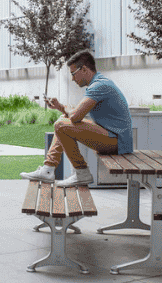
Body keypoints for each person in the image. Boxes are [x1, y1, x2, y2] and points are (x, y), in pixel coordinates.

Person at [21, 50, 132, 186]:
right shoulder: (100, 83)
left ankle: (81, 172)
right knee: (62, 120)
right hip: (114, 139)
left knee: (61, 124)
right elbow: (76, 115)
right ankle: (48, 169)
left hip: (117, 143)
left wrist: (66, 112)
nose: (72, 79)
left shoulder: (99, 86)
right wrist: (60, 107)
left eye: (73, 73)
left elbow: (75, 117)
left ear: (84, 69)